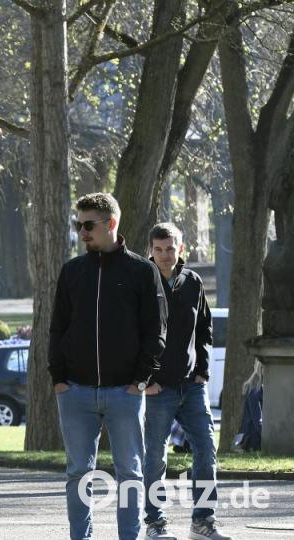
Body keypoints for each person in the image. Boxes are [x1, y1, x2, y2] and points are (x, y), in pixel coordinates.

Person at [48, 192, 168, 540]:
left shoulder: (142, 271)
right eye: (78, 225)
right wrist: (59, 379)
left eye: (89, 225)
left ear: (111, 224)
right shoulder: (72, 271)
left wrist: (140, 381)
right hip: (75, 391)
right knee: (78, 474)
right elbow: (57, 327)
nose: (82, 233)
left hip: (125, 393)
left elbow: (156, 330)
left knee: (129, 473)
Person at [142, 222, 231, 540]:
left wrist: (202, 371)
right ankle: (155, 523)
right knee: (155, 456)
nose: (165, 255)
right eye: (159, 249)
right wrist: (145, 380)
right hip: (157, 389)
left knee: (206, 449)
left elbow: (204, 327)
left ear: (181, 249)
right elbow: (130, 335)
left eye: (171, 248)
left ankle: (203, 522)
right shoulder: (142, 281)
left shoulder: (192, 281)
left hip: (192, 386)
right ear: (151, 250)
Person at [232, 361, 263, 453]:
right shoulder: (254, 391)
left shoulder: (261, 388)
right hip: (252, 441)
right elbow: (258, 421)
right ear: (261, 369)